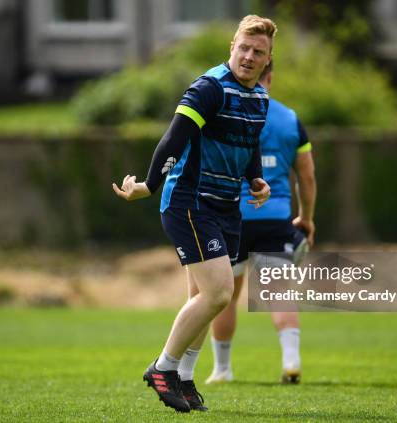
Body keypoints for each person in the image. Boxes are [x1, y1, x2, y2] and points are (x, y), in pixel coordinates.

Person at [112, 15, 277, 413]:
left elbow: (249, 141)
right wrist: (149, 186)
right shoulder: (210, 88)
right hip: (190, 202)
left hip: (226, 206)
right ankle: (163, 367)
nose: (249, 57)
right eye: (243, 48)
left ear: (268, 59)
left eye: (258, 52)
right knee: (220, 293)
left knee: (205, 298)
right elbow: (175, 137)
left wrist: (256, 179)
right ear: (232, 47)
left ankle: (184, 379)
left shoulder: (260, 98)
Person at [205, 62, 317, 385]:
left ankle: (222, 369)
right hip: (274, 219)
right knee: (278, 291)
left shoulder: (226, 111)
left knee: (224, 294)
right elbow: (306, 178)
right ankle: (291, 363)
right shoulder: (291, 120)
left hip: (232, 217)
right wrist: (306, 218)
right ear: (272, 76)